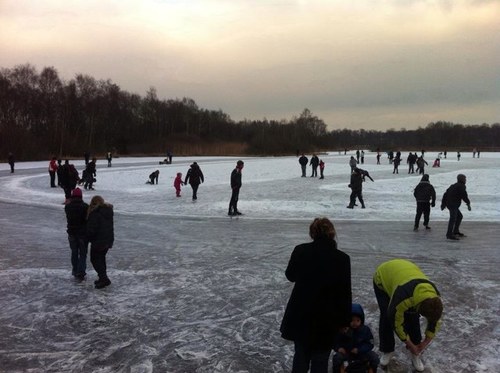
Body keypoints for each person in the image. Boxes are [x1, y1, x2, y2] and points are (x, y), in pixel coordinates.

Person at [280, 218, 351, 373]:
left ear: (312, 233)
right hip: (328, 317)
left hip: (301, 313)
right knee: (321, 360)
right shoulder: (342, 258)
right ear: (332, 233)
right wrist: (345, 321)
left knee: (301, 357)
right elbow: (345, 292)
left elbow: (290, 275)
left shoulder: (301, 250)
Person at [373, 259, 443, 372]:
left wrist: (423, 344)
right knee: (387, 316)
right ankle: (388, 350)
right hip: (383, 277)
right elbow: (396, 321)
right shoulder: (402, 297)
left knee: (412, 317)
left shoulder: (435, 297)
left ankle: (415, 354)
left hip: (406, 274)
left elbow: (435, 321)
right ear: (419, 308)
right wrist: (409, 344)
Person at [331, 303, 379, 373]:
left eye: (357, 320)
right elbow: (334, 342)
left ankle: (371, 370)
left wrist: (359, 349)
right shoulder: (343, 329)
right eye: (352, 320)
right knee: (337, 358)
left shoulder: (365, 330)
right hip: (347, 353)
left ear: (361, 321)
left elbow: (370, 344)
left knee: (374, 357)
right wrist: (339, 348)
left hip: (361, 353)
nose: (354, 323)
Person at [87, 195, 114, 289]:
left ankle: (104, 278)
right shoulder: (108, 211)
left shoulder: (95, 213)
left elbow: (92, 229)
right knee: (101, 259)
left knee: (95, 260)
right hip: (107, 240)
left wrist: (87, 236)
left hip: (98, 241)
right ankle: (102, 278)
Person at [64, 188, 89, 282]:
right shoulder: (85, 206)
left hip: (72, 232)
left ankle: (75, 270)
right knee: (83, 253)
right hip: (82, 233)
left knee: (74, 252)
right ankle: (81, 271)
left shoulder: (68, 207)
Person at [441, 174, 471, 240]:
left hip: (451, 204)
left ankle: (455, 231)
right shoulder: (461, 186)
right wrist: (468, 203)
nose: (466, 180)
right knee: (453, 218)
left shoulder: (453, 185)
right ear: (461, 179)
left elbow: (445, 194)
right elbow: (464, 195)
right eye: (465, 179)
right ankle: (449, 234)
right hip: (452, 204)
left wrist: (443, 204)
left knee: (459, 216)